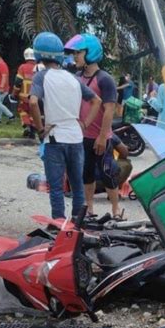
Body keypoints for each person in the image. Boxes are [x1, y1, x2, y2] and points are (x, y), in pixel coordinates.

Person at [29, 32, 101, 220]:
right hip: (76, 138)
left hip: (55, 139)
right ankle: (77, 226)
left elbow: (33, 102)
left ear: (39, 55)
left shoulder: (41, 77)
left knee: (56, 188)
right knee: (77, 185)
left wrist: (40, 128)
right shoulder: (74, 79)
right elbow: (96, 101)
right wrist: (84, 123)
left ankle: (58, 227)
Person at [65, 33, 122, 218]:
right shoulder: (77, 77)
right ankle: (89, 209)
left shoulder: (104, 79)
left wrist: (102, 136)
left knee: (108, 174)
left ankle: (116, 209)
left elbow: (109, 110)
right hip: (82, 136)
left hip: (101, 137)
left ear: (90, 53)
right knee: (86, 174)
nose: (75, 57)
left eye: (78, 53)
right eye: (74, 53)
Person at [12, 48, 36, 138]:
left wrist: (14, 93)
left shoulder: (22, 67)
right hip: (35, 97)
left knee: (22, 111)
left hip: (24, 97)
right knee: (33, 113)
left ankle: (27, 126)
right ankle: (33, 130)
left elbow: (18, 82)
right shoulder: (38, 67)